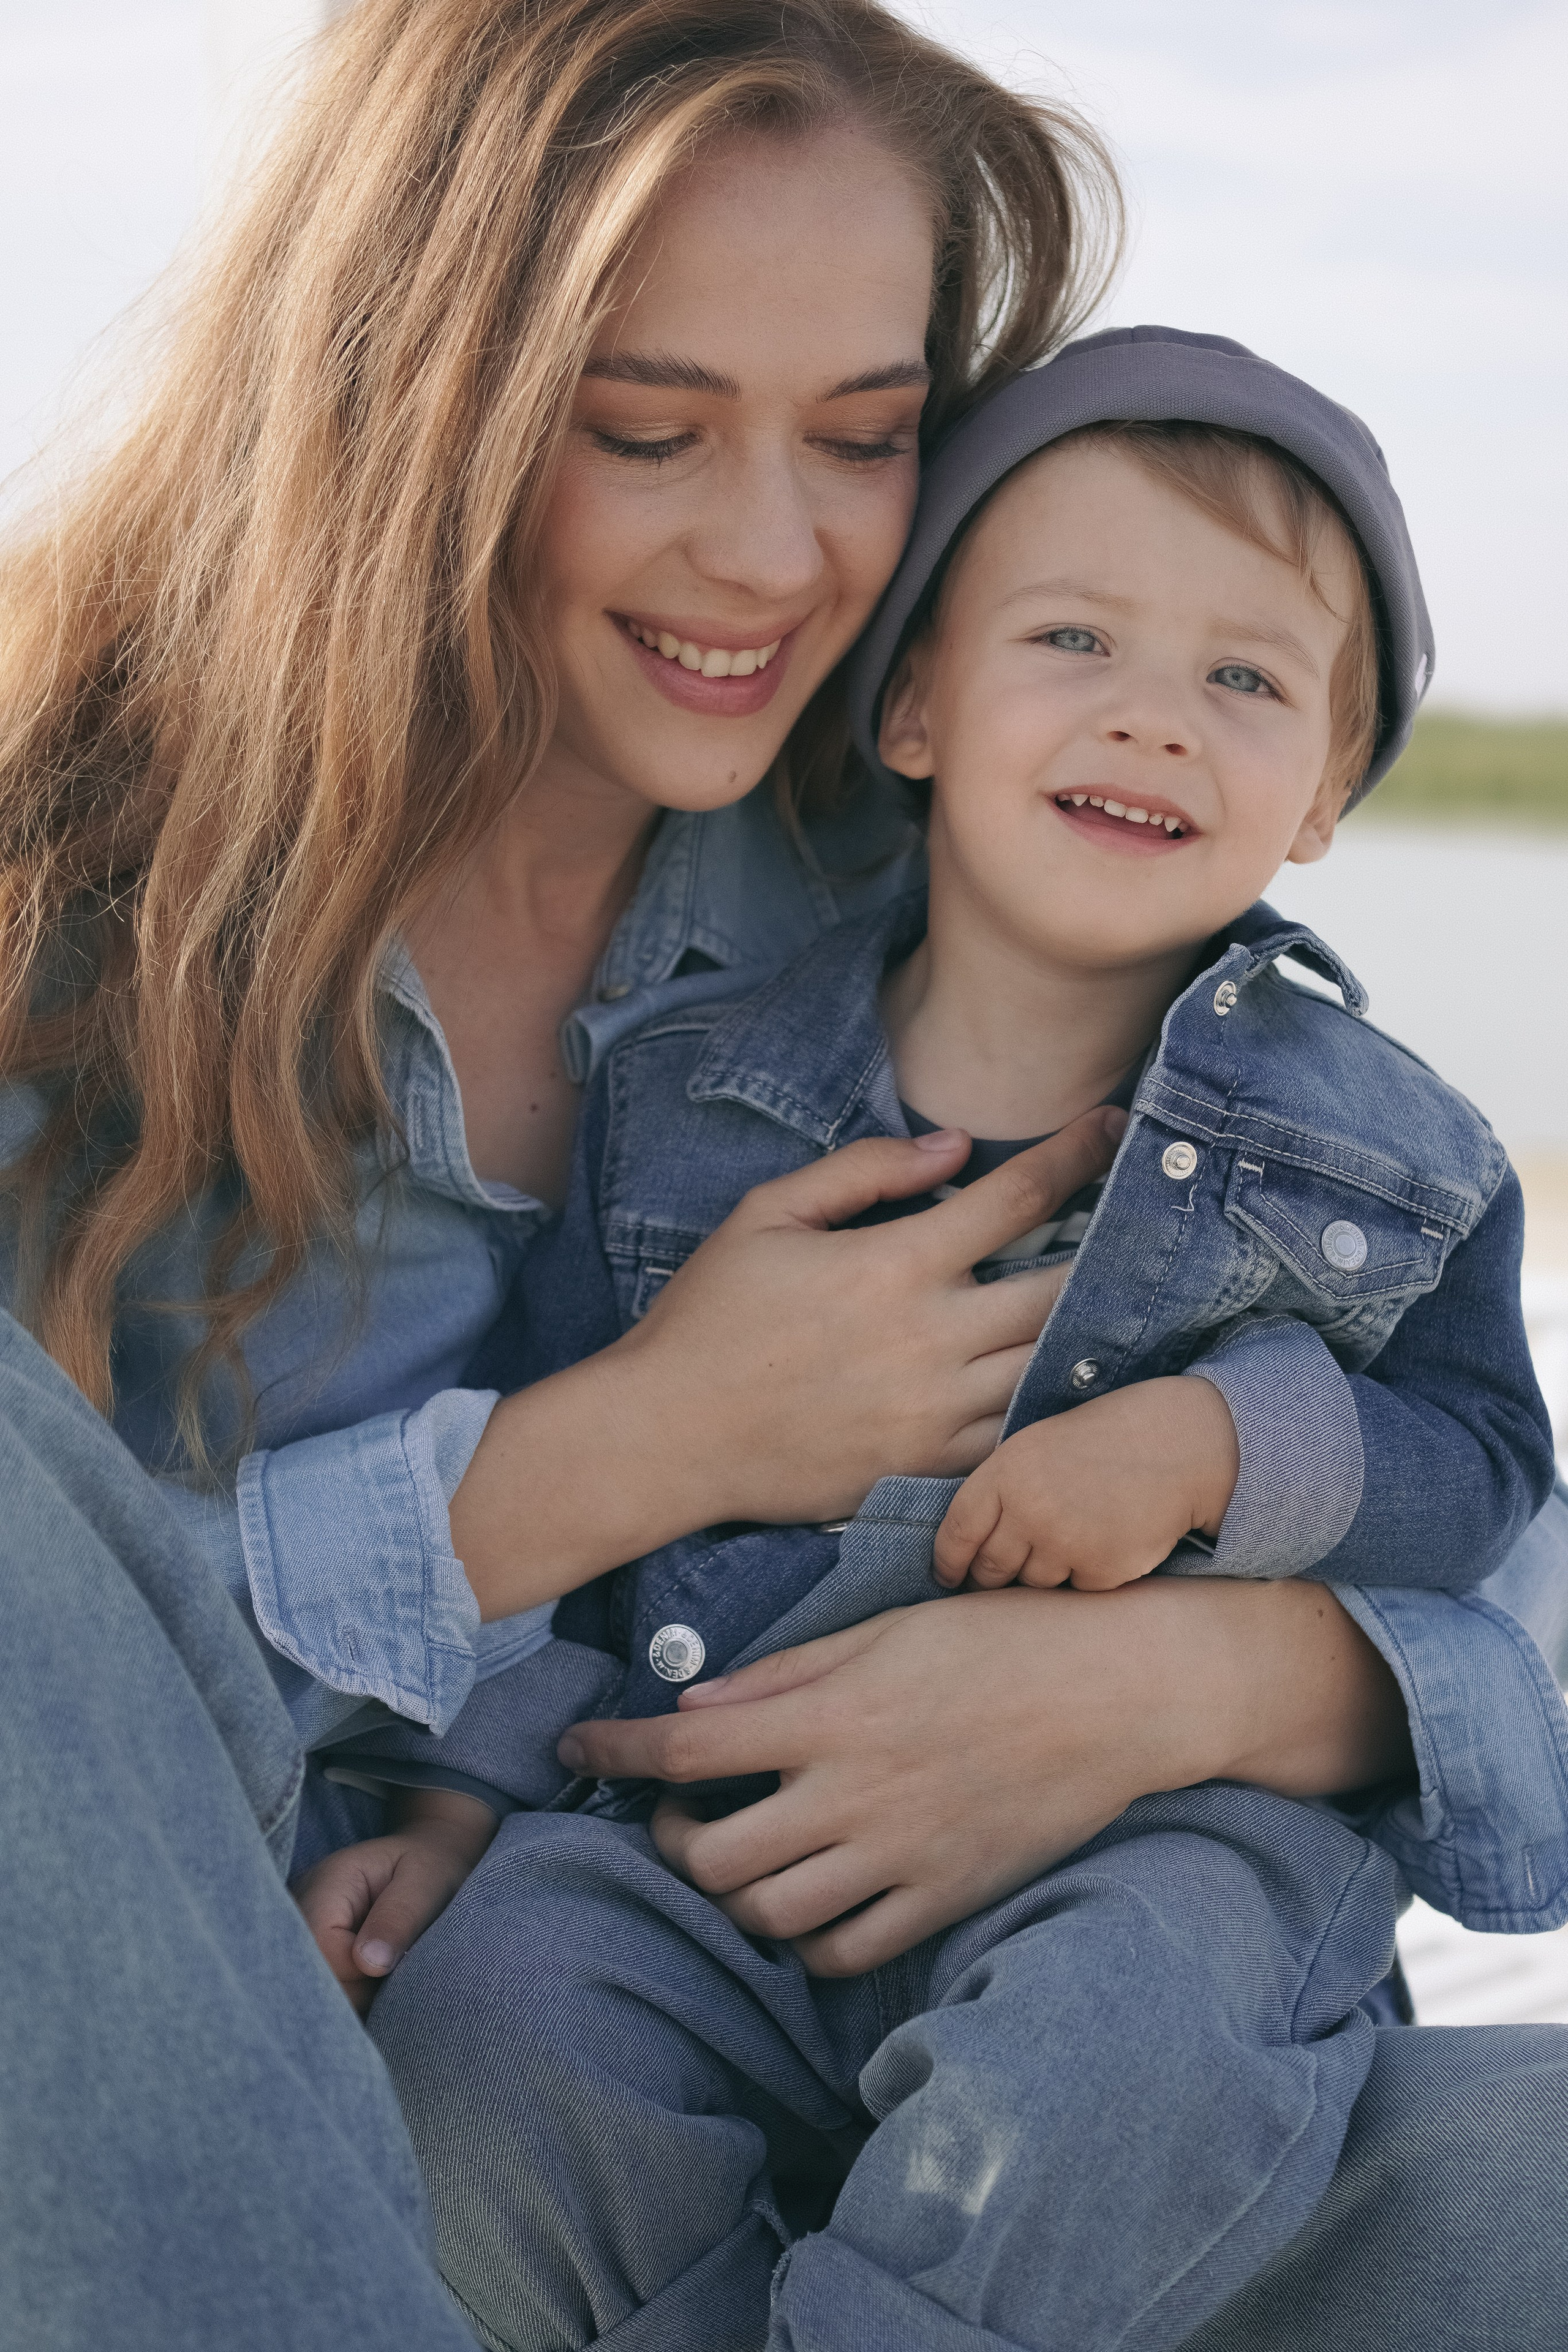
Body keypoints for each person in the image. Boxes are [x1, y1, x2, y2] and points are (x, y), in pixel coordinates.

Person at [0, 1, 1562, 2344]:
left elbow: (1490, 1518)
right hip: (348, 2093)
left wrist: (1192, 1685)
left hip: (1060, 2038)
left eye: (865, 440)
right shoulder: (68, 926)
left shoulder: (968, 875)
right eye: (647, 429)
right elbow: (57, 1704)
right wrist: (616, 1459)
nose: (769, 553)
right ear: (405, 407)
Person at [312, 328, 1557, 2351]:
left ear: (1326, 788)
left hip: (1156, 1861)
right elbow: (562, 1450)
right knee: (490, 2029)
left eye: (1245, 680)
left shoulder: (1391, 1149)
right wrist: (458, 1802)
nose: (1157, 720)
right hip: (708, 1834)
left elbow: (1484, 1468)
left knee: (1117, 2073)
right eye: (1074, 639)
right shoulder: (688, 1094)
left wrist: (1225, 1452)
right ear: (911, 702)